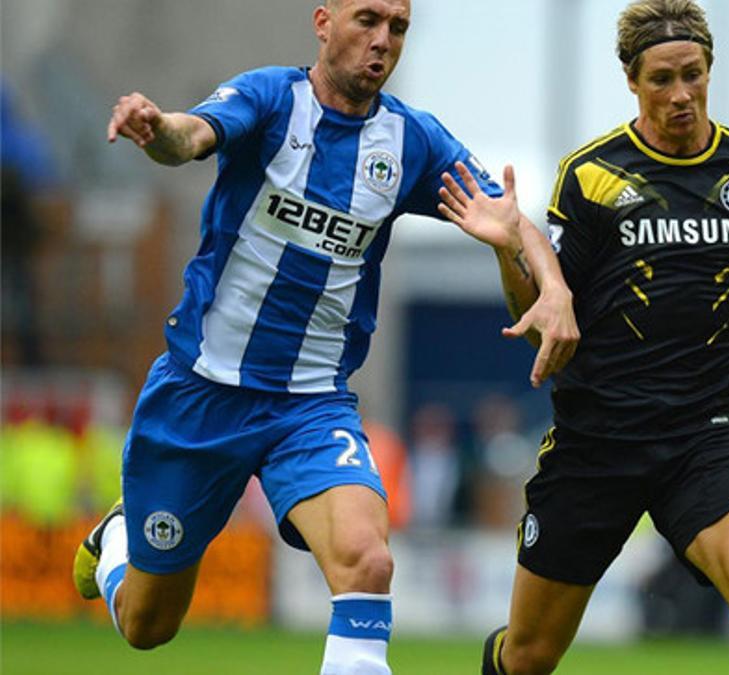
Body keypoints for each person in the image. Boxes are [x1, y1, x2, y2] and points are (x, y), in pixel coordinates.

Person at [71, 2, 578, 673]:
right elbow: (190, 136)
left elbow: (514, 219)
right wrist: (154, 126)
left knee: (368, 559)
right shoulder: (269, 99)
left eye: (398, 28)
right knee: (147, 624)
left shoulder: (413, 142)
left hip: (309, 406)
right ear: (323, 22)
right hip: (201, 393)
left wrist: (554, 287)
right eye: (368, 20)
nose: (383, 40)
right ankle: (116, 540)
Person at [438, 1, 729, 673]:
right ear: (632, 81)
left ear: (710, 69)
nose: (682, 95)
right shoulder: (591, 176)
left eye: (694, 74)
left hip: (701, 439)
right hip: (596, 443)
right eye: (662, 79)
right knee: (527, 657)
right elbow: (545, 327)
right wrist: (508, 253)